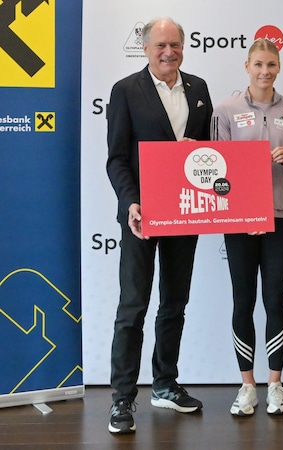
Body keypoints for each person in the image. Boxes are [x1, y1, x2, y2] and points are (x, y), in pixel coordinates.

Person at [105, 17, 213, 434]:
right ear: (145, 48)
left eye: (176, 44)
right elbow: (116, 158)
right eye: (161, 45)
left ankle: (165, 384)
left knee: (174, 303)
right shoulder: (125, 90)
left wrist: (199, 149)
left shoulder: (199, 88)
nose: (169, 52)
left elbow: (206, 154)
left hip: (185, 210)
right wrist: (130, 202)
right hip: (141, 217)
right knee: (132, 307)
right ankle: (121, 399)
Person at [210, 39, 283, 417]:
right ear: (247, 66)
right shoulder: (226, 109)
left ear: (279, 67)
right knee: (242, 302)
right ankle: (247, 385)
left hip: (281, 218)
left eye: (271, 65)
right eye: (259, 64)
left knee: (275, 301)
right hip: (239, 220)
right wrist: (243, 211)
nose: (265, 71)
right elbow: (218, 169)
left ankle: (275, 386)